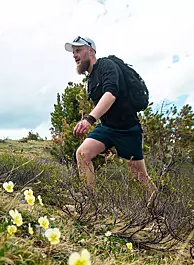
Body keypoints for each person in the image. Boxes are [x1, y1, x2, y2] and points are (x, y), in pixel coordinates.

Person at [64, 36, 157, 197]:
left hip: (127, 128)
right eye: (73, 52)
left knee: (139, 177)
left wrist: (89, 119)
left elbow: (111, 93)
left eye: (78, 50)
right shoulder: (91, 79)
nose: (74, 55)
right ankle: (90, 204)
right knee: (82, 154)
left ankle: (159, 208)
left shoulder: (106, 65)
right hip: (107, 127)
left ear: (91, 50)